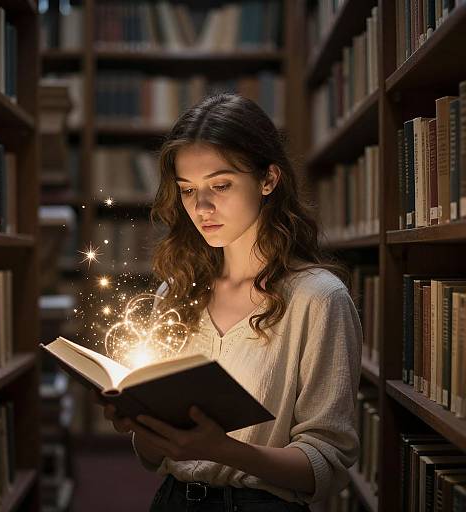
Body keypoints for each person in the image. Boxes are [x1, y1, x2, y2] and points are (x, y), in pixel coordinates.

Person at [100, 93, 362, 511]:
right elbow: (152, 460)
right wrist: (142, 426)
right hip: (171, 502)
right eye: (187, 191)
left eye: (220, 185)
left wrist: (223, 450)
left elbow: (326, 467)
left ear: (268, 179)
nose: (201, 208)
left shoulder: (318, 298)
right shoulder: (175, 293)